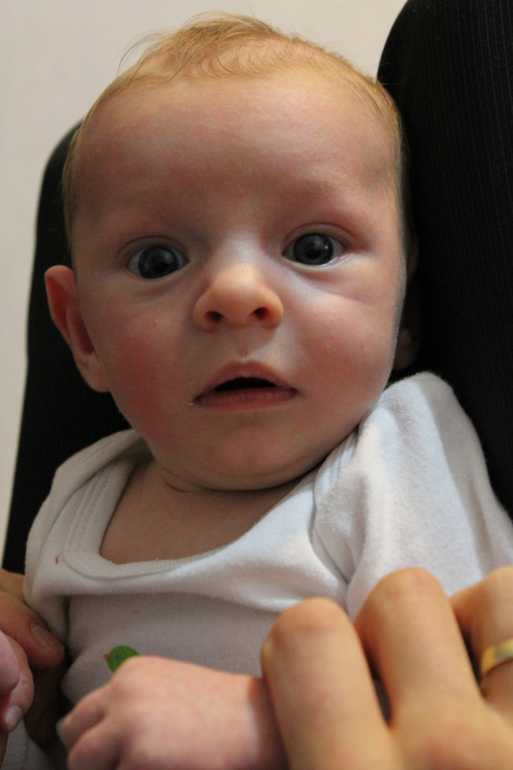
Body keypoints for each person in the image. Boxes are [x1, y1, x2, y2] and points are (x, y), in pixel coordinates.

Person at [2, 11, 513, 769]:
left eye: (313, 247)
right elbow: (58, 736)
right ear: (82, 335)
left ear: (406, 310)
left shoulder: (394, 459)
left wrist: (253, 728)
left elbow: (466, 701)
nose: (236, 294)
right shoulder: (78, 501)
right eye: (157, 261)